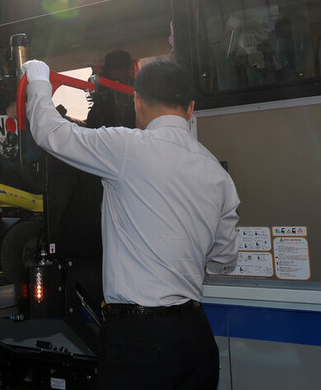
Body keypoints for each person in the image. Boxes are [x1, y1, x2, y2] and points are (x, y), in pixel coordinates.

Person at [22, 59, 240, 389]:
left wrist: (38, 79)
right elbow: (225, 259)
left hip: (140, 341)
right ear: (191, 108)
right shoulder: (217, 173)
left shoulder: (125, 148)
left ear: (137, 100)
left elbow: (51, 133)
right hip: (195, 336)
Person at [85, 49, 136, 129]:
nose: (115, 72)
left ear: (128, 68)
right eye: (110, 69)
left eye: (119, 68)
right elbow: (93, 120)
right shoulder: (101, 87)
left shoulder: (138, 87)